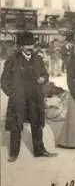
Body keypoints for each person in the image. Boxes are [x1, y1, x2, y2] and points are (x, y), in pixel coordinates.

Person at [1, 31, 58, 162]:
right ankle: (13, 153)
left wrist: (43, 78)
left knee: (37, 124)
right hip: (19, 99)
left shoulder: (38, 59)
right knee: (16, 126)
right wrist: (12, 93)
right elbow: (4, 81)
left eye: (31, 45)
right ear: (21, 46)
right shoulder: (12, 60)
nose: (29, 48)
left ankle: (40, 150)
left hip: (34, 98)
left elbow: (45, 74)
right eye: (26, 45)